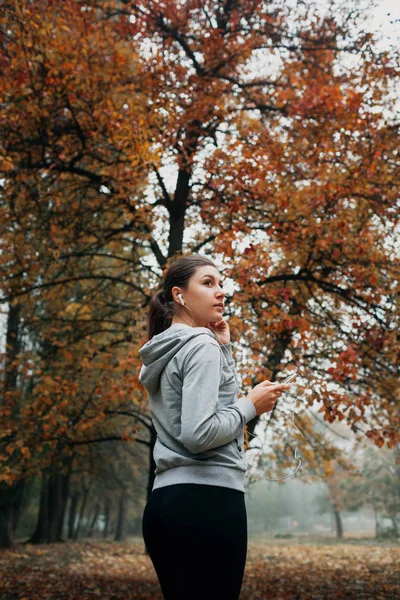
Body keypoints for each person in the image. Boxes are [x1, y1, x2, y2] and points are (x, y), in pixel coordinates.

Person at [138, 254, 292, 600]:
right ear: (179, 295)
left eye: (220, 283)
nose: (220, 291)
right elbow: (198, 434)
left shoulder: (168, 349)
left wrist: (225, 351)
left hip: (165, 504)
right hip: (207, 503)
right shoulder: (200, 346)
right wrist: (251, 405)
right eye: (208, 283)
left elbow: (198, 410)